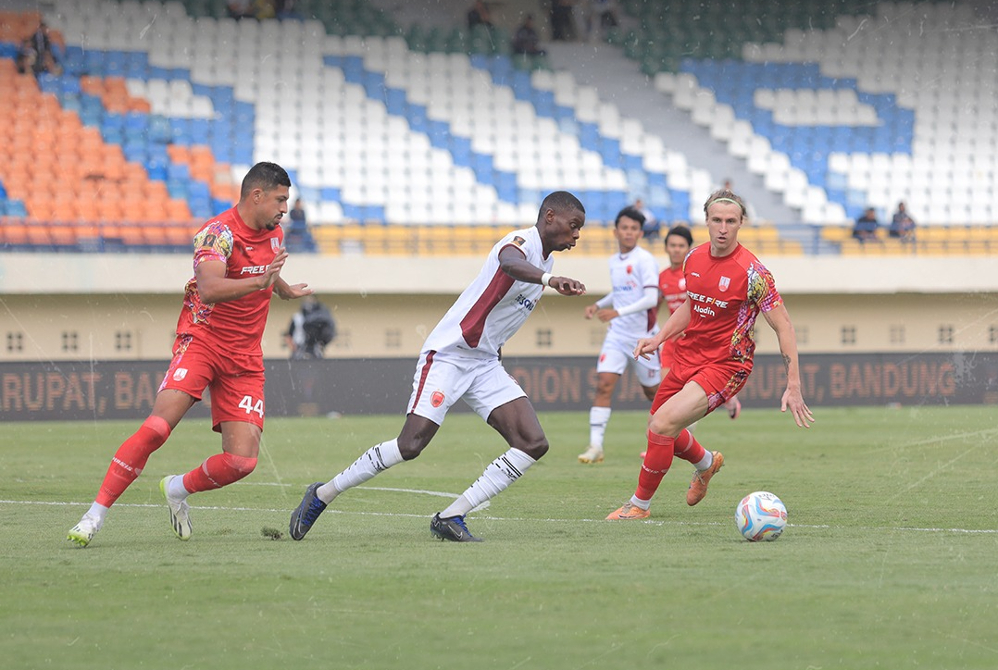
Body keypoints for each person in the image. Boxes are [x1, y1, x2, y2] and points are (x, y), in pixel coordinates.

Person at [289, 191, 587, 542]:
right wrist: (549, 281)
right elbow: (508, 262)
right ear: (550, 216)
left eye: (579, 229)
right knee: (410, 445)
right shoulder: (521, 242)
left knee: (533, 443)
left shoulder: (545, 261)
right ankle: (323, 494)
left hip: (484, 363)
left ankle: (452, 515)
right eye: (573, 226)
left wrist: (497, 345)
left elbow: (499, 309)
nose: (577, 235)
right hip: (449, 354)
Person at [67, 162, 312, 547]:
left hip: (245, 359)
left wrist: (280, 288)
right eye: (281, 199)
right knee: (157, 429)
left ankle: (177, 489)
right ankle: (93, 516)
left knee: (241, 462)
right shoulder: (216, 234)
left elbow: (266, 269)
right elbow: (211, 288)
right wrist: (261, 281)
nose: (285, 207)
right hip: (202, 341)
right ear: (256, 196)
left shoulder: (275, 233)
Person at [606, 190, 813, 521]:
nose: (723, 227)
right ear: (706, 221)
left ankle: (639, 506)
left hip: (726, 364)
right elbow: (692, 305)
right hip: (688, 356)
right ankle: (705, 464)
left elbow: (784, 326)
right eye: (716, 220)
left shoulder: (754, 273)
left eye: (731, 221)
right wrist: (659, 337)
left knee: (662, 424)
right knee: (656, 426)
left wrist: (794, 384)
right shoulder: (693, 258)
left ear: (741, 224)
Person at [578, 206, 660, 465]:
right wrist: (600, 305)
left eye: (634, 228)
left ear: (640, 232)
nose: (629, 232)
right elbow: (621, 292)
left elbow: (650, 298)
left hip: (644, 338)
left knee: (653, 393)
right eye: (624, 228)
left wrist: (617, 312)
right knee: (603, 384)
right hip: (617, 335)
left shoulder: (645, 260)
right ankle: (595, 446)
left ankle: (675, 431)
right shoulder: (614, 261)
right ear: (616, 231)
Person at [657, 224, 741, 429]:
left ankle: (727, 400)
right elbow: (657, 305)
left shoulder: (695, 272)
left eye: (681, 245)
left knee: (689, 393)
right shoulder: (663, 276)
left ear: (688, 249)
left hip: (697, 340)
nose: (676, 249)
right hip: (673, 342)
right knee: (666, 390)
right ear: (666, 248)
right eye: (672, 245)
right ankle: (670, 436)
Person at [285, 295, 336, 359]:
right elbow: (289, 335)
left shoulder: (320, 316)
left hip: (314, 346)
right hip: (299, 347)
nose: (308, 303)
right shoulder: (297, 317)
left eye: (311, 300)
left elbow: (328, 331)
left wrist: (321, 344)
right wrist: (293, 347)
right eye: (307, 300)